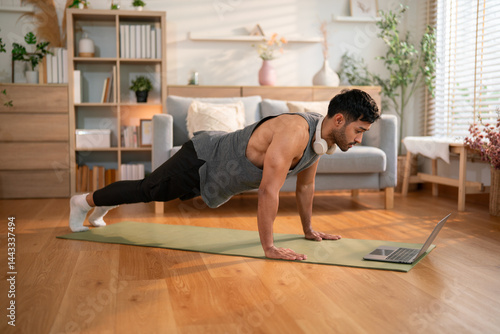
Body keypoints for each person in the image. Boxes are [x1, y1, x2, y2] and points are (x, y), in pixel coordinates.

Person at [69, 88, 380, 261]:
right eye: (359, 131)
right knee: (149, 191)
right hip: (202, 158)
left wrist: (309, 229)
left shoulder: (320, 142)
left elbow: (305, 186)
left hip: (216, 176)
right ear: (339, 119)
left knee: (152, 190)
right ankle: (83, 202)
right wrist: (269, 248)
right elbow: (268, 191)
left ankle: (102, 204)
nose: (359, 139)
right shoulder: (295, 131)